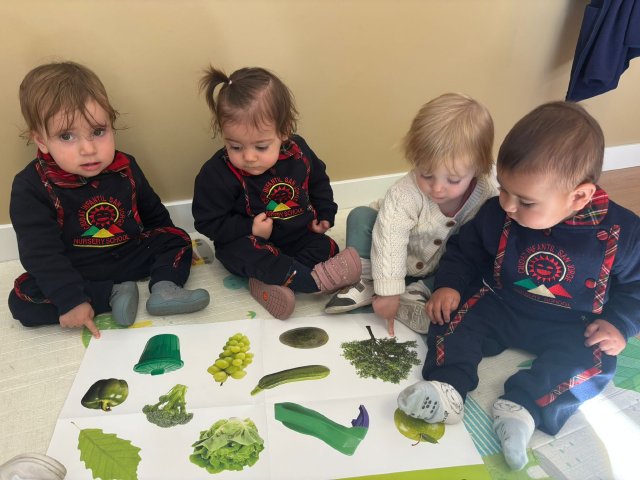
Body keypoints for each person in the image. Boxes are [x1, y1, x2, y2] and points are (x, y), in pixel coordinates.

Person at [397, 101, 640, 470]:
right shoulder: (498, 212)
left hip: (573, 324)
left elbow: (637, 286)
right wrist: (449, 286)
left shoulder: (624, 234)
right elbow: (465, 250)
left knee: (596, 361)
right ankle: (448, 387)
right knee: (451, 318)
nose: (507, 205)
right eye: (504, 189)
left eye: (525, 201)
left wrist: (619, 323)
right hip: (500, 302)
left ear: (579, 197)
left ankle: (524, 408)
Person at [8, 61, 210, 338]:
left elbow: (153, 213)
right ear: (41, 141)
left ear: (111, 125)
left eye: (98, 131)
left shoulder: (126, 167)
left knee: (176, 238)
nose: (88, 148)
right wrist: (71, 300)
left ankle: (164, 289)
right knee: (21, 299)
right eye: (67, 136)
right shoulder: (30, 186)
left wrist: (171, 254)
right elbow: (40, 254)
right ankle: (110, 295)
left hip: (128, 253)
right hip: (76, 268)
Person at [192, 66, 360, 320]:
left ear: (284, 131)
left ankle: (276, 280)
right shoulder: (216, 173)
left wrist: (325, 214)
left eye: (261, 146)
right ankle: (311, 282)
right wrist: (250, 228)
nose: (248, 157)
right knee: (242, 254)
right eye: (235, 146)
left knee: (327, 246)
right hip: (251, 242)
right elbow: (207, 221)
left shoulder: (299, 152)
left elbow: (318, 181)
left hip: (297, 236)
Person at [325, 93, 497, 336]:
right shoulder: (405, 193)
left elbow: (472, 249)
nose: (437, 188)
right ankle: (366, 279)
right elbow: (390, 238)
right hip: (387, 251)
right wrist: (388, 291)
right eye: (426, 174)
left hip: (440, 264)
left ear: (478, 168)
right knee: (360, 217)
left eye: (453, 180)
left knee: (470, 263)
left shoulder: (486, 195)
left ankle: (418, 292)